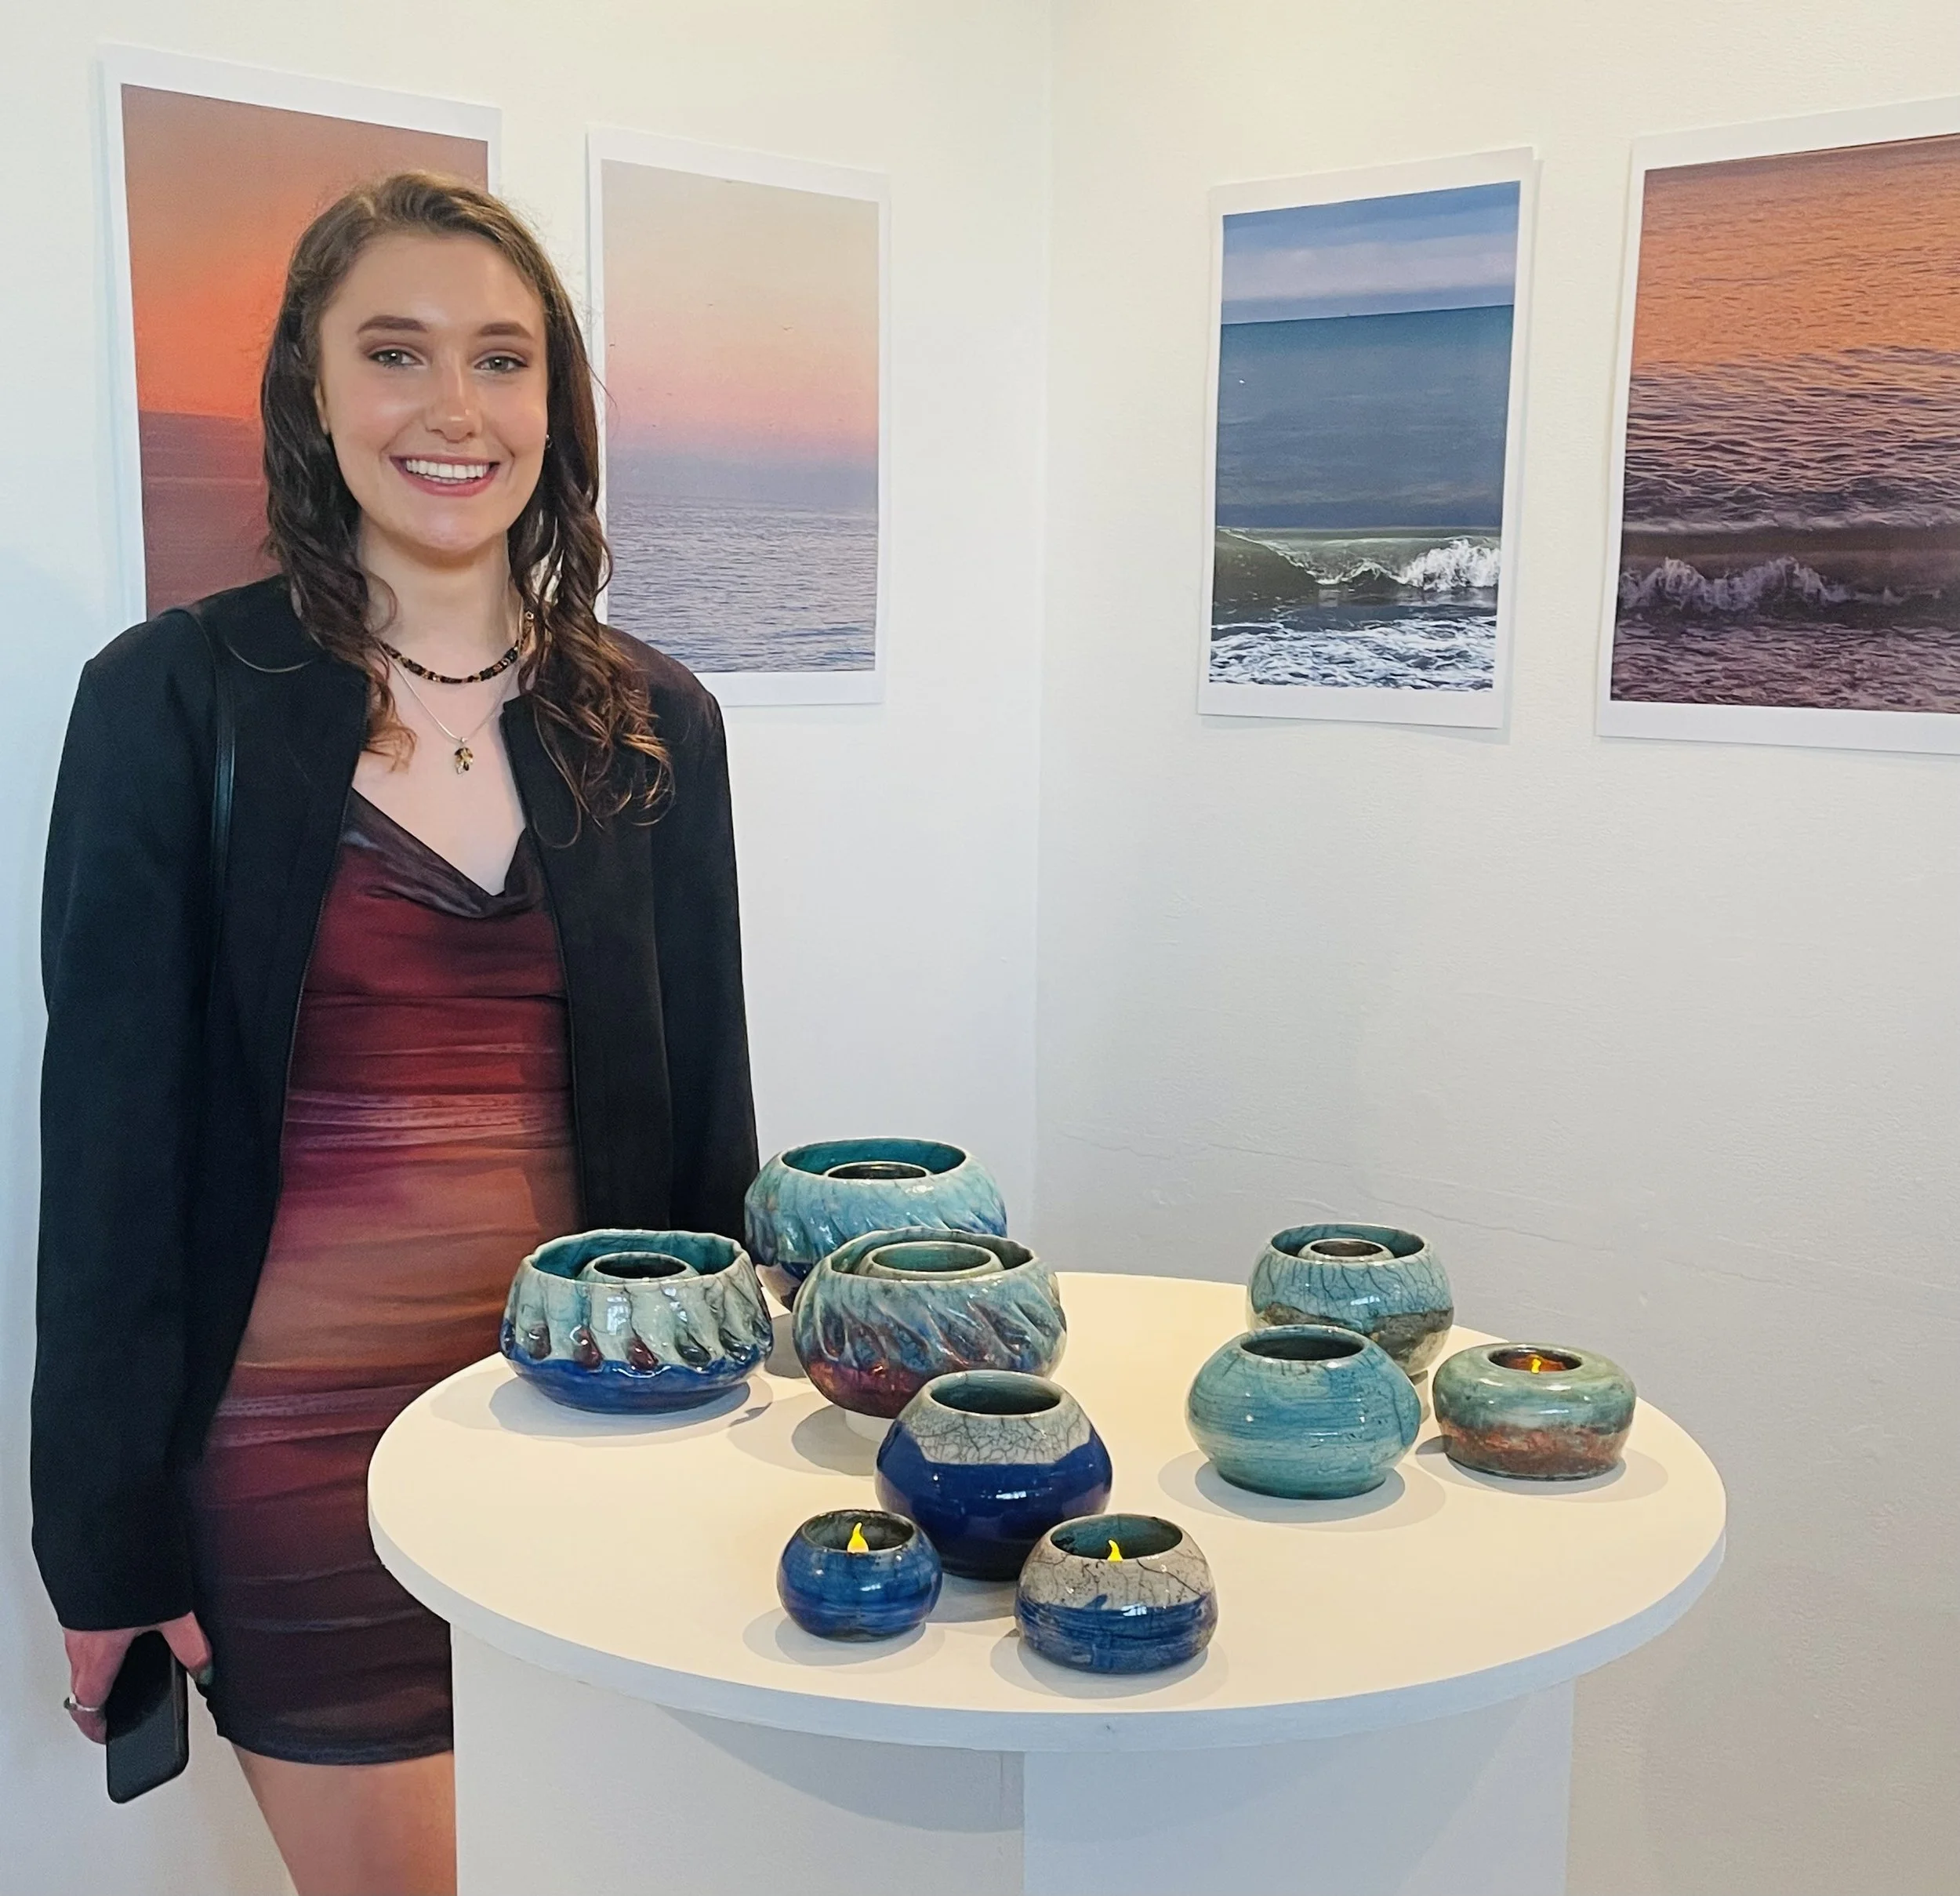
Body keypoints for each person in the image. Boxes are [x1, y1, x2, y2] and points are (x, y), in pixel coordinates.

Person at [31, 172, 756, 1896]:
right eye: (395, 352)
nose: (454, 409)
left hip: (586, 1437)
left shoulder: (656, 720)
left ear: (554, 404)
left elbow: (706, 1137)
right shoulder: (170, 700)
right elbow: (109, 1150)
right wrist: (102, 1539)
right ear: (312, 383)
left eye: (501, 360)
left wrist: (732, 1448)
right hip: (292, 1463)